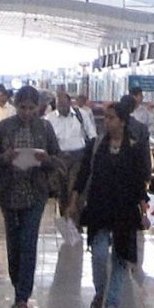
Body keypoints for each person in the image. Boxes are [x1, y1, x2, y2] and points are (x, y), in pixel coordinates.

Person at [0, 86, 61, 308]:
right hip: (9, 193)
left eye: (31, 108)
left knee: (28, 242)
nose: (27, 112)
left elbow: (57, 158)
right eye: (23, 108)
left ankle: (22, 297)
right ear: (16, 106)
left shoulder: (45, 128)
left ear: (38, 107)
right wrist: (4, 159)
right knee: (14, 243)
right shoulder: (4, 128)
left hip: (35, 192)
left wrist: (45, 159)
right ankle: (18, 283)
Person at [74, 96, 152, 308]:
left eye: (111, 118)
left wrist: (144, 212)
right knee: (99, 254)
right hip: (99, 208)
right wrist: (74, 199)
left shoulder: (134, 148)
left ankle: (113, 303)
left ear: (123, 121)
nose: (106, 122)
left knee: (120, 257)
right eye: (105, 118)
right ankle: (100, 291)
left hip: (125, 210)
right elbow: (83, 175)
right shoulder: (96, 146)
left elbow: (139, 182)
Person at [46, 90, 92, 243]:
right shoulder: (50, 119)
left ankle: (76, 227)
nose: (62, 107)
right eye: (59, 105)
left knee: (75, 191)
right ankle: (69, 231)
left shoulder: (81, 115)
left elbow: (92, 135)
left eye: (64, 104)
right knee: (62, 194)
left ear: (70, 103)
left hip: (78, 157)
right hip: (59, 158)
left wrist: (89, 157)